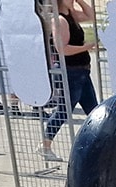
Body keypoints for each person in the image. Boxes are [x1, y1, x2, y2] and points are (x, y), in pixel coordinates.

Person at [40, 0, 98, 161]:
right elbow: (62, 48)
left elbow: (91, 15)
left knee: (94, 109)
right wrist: (86, 47)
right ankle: (45, 144)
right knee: (64, 110)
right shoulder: (60, 20)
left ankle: (100, 142)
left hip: (82, 70)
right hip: (71, 71)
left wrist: (80, 2)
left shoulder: (71, 15)